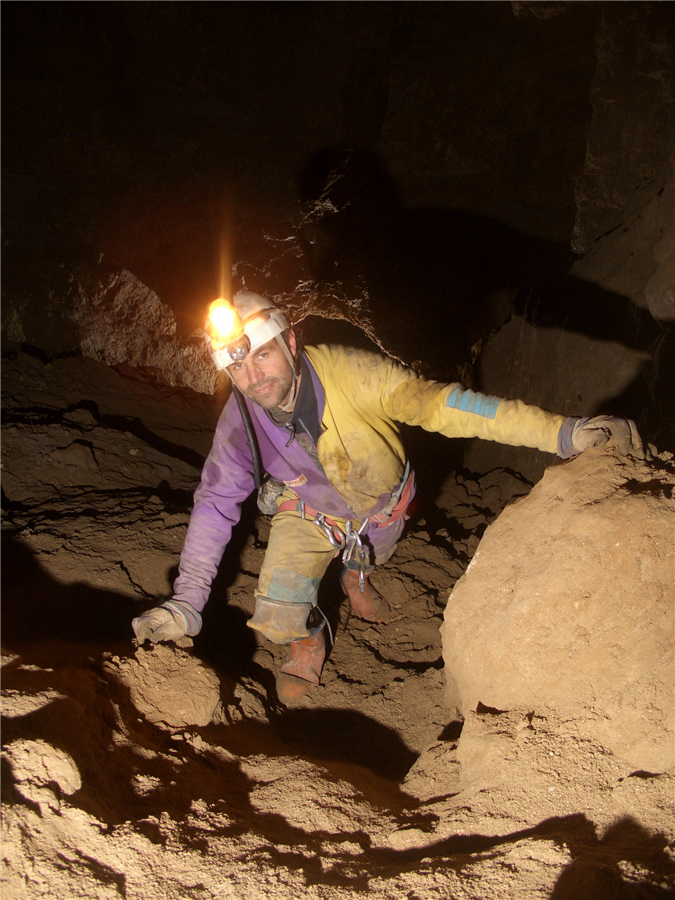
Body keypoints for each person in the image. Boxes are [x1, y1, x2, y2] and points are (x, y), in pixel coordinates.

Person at [132, 290, 642, 702]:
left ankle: (356, 576)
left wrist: (562, 433)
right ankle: (308, 642)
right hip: (309, 511)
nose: (253, 378)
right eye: (238, 367)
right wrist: (186, 602)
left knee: (369, 555)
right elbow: (215, 503)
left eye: (262, 355)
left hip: (382, 510)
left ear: (290, 342)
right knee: (276, 608)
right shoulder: (240, 421)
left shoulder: (353, 374)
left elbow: (446, 406)